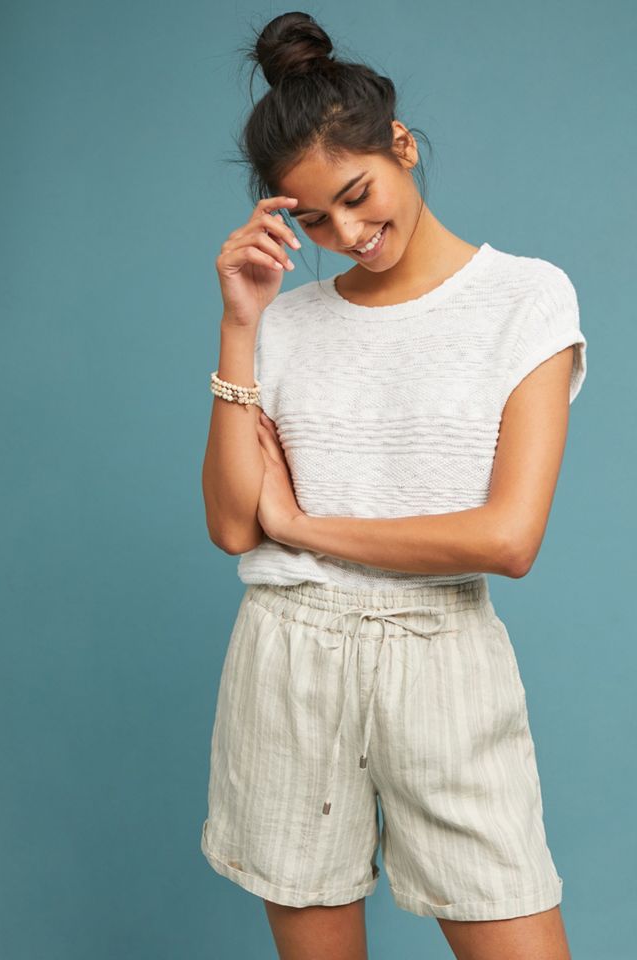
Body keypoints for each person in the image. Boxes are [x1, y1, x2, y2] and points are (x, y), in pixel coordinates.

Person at [199, 11, 586, 960]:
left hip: (440, 653)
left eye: (357, 195)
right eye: (314, 220)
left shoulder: (526, 298)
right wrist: (240, 325)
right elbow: (235, 527)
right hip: (289, 657)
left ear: (401, 146)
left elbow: (508, 540)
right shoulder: (283, 323)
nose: (347, 233)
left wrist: (304, 525)